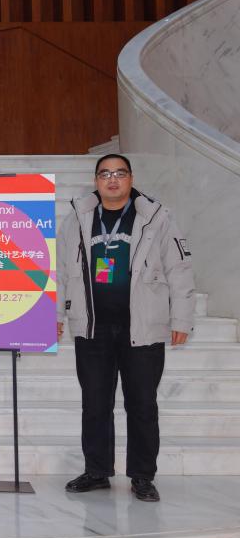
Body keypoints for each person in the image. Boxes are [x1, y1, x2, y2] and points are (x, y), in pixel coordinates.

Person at [57, 154, 196, 503]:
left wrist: (181, 318)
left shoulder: (156, 217)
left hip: (142, 327)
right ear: (96, 180)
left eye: (119, 173)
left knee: (142, 404)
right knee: (95, 403)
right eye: (105, 174)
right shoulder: (77, 218)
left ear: (131, 178)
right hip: (93, 328)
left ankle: (142, 476)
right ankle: (96, 471)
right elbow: (60, 271)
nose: (112, 179)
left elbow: (179, 269)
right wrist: (55, 314)